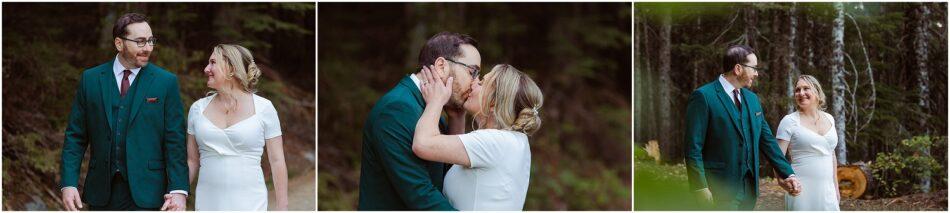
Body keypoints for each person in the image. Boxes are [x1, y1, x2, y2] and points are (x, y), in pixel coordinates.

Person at [60, 12, 189, 211]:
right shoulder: (91, 79)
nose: (148, 48)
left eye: (151, 41)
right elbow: (75, 137)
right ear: (119, 44)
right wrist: (68, 183)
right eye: (140, 42)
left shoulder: (166, 82)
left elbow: (175, 141)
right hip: (101, 192)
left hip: (150, 193)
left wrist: (179, 189)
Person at [357, 31, 481, 210]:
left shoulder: (431, 106)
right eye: (473, 72)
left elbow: (451, 179)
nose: (475, 83)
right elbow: (421, 194)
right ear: (441, 66)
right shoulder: (396, 109)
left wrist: (456, 117)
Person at [683, 44, 802, 210]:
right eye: (753, 68)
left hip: (749, 190)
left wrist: (787, 173)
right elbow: (693, 147)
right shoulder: (704, 96)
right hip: (717, 188)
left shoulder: (752, 99)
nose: (756, 73)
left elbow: (767, 140)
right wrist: (699, 187)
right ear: (738, 69)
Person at [413, 64, 542, 210]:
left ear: (493, 102)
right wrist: (457, 117)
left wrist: (435, 101)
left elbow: (423, 144)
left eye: (481, 83)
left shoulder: (495, 142)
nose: (474, 82)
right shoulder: (515, 141)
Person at [186, 44, 288, 210]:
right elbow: (192, 161)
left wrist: (283, 208)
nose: (206, 69)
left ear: (232, 68)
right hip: (208, 203)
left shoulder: (264, 108)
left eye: (213, 63)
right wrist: (179, 194)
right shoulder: (197, 109)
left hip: (251, 202)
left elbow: (277, 161)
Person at [776, 75, 841, 211]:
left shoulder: (829, 118)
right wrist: (783, 183)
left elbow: (831, 154)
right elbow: (777, 158)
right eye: (797, 90)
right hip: (800, 190)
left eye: (806, 88)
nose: (801, 93)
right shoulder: (789, 121)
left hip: (827, 190)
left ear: (817, 92)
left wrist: (836, 187)